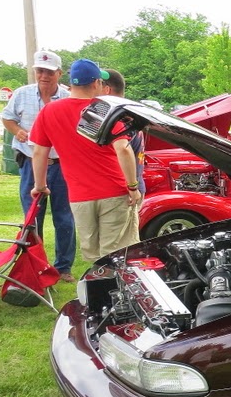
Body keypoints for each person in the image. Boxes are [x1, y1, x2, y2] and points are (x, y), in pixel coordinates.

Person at [29, 59, 142, 262]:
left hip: (80, 196)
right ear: (96, 83)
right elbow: (123, 150)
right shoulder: (104, 110)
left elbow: (39, 153)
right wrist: (133, 186)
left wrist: (40, 186)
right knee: (117, 252)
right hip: (114, 192)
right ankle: (115, 291)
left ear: (72, 83)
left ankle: (97, 290)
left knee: (92, 254)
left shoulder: (49, 111)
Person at [1, 50, 77, 282]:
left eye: (48, 72)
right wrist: (17, 131)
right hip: (30, 163)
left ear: (59, 73)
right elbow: (7, 117)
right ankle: (37, 263)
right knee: (33, 217)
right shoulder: (22, 94)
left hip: (60, 165)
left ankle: (63, 267)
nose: (43, 75)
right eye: (39, 71)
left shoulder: (68, 98)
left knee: (64, 217)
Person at [103, 69, 146, 198]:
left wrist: (132, 187)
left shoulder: (119, 117)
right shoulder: (129, 112)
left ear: (106, 90)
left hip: (125, 190)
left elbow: (124, 151)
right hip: (132, 186)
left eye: (97, 85)